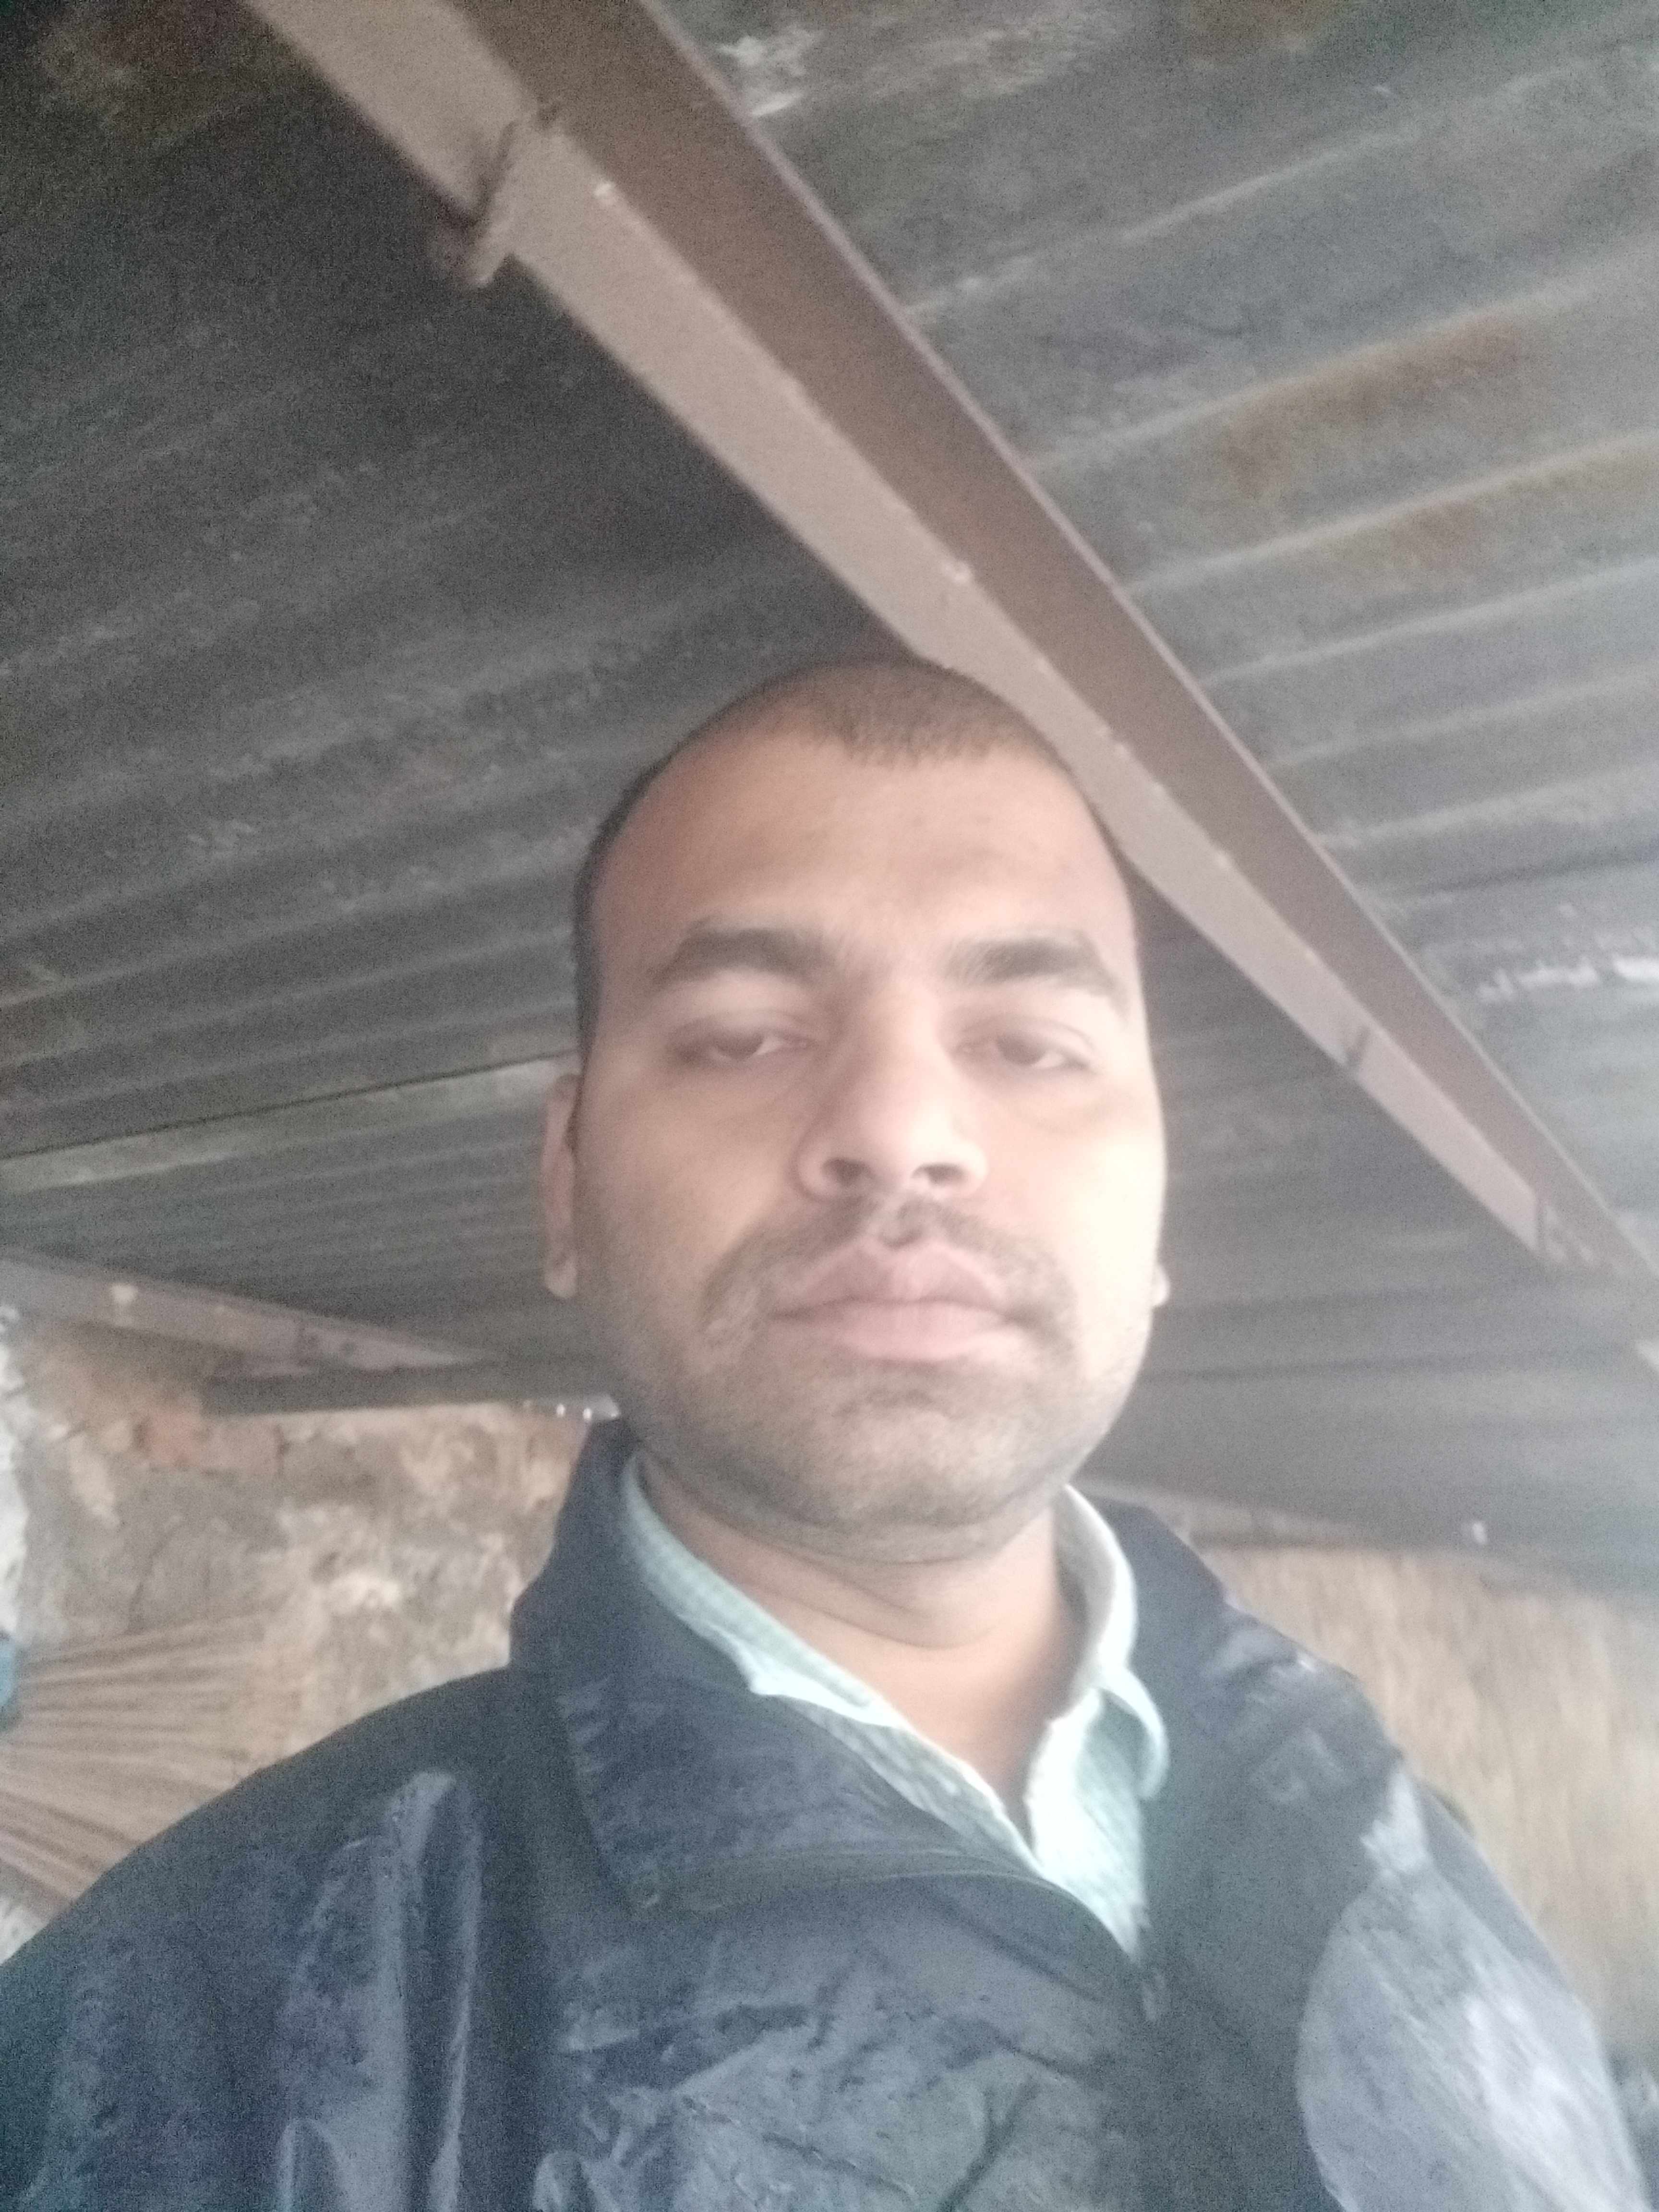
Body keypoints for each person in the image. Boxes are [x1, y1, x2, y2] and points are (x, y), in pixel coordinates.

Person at [0, 662, 1642, 2210]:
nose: (901, 1131)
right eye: (742, 1037)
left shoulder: (1375, 1825)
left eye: (1031, 1045)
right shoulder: (195, 2031)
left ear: (1159, 1204)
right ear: (566, 1186)